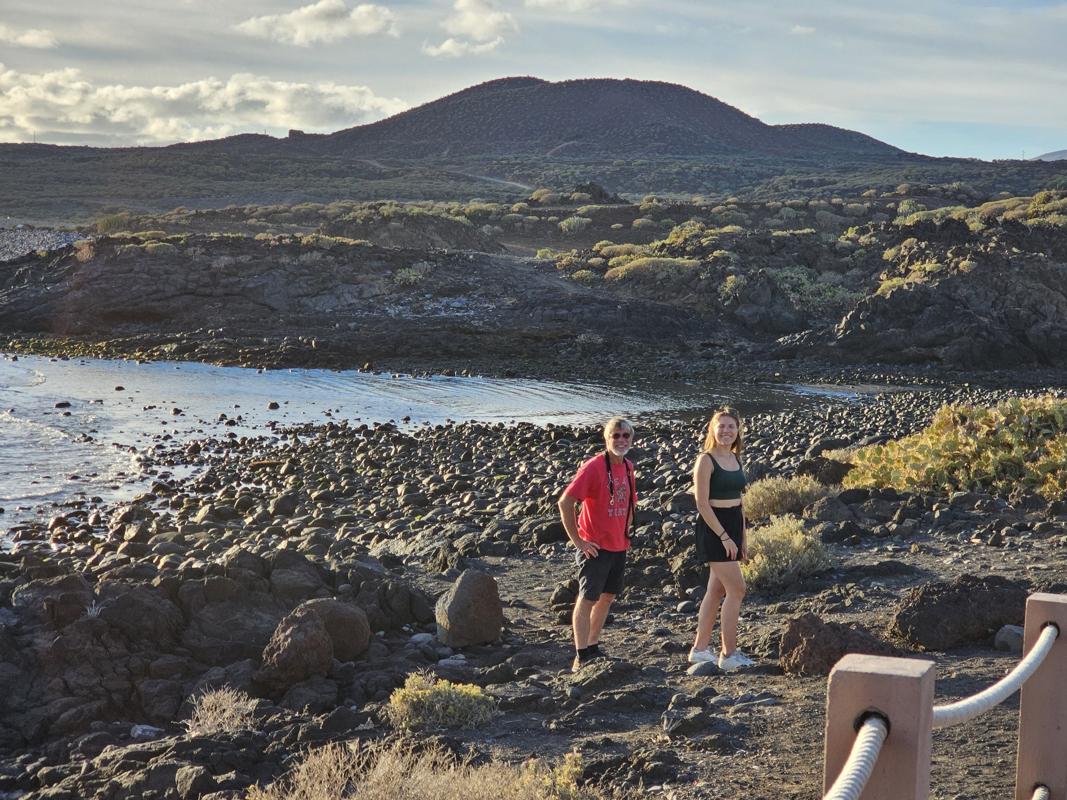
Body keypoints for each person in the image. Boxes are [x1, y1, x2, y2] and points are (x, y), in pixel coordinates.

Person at [558, 416, 637, 673]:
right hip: (595, 547)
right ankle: (581, 655)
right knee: (588, 598)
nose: (621, 440)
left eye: (625, 435)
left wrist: (627, 532)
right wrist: (578, 541)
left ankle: (593, 646)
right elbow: (565, 502)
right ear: (606, 438)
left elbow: (630, 502)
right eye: (616, 435)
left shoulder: (628, 467)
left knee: (608, 597)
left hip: (618, 545)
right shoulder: (593, 467)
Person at [689, 407, 755, 672]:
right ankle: (729, 655)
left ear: (738, 430)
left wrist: (742, 538)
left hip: (732, 526)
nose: (726, 431)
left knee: (715, 591)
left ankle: (700, 649)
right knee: (737, 590)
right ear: (712, 429)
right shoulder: (705, 460)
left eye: (731, 426)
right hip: (713, 529)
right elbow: (702, 504)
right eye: (722, 426)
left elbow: (739, 502)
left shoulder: (736, 458)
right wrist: (725, 537)